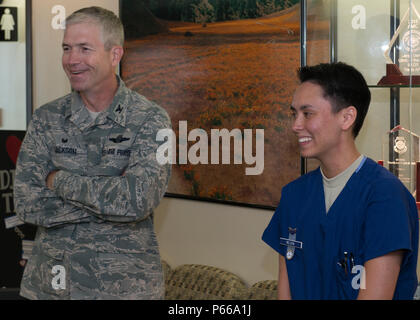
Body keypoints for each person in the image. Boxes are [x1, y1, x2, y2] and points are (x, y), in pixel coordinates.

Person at [14, 6, 171, 300]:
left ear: (115, 55)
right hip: (49, 289)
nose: (72, 60)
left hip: (124, 291)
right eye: (67, 48)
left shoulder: (150, 120)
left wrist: (57, 180)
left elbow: (139, 201)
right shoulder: (46, 119)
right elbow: (26, 203)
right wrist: (112, 199)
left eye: (85, 48)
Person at [262, 62, 419, 300]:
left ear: (346, 117)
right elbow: (286, 290)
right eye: (294, 113)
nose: (295, 125)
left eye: (308, 113)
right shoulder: (294, 196)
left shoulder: (385, 197)